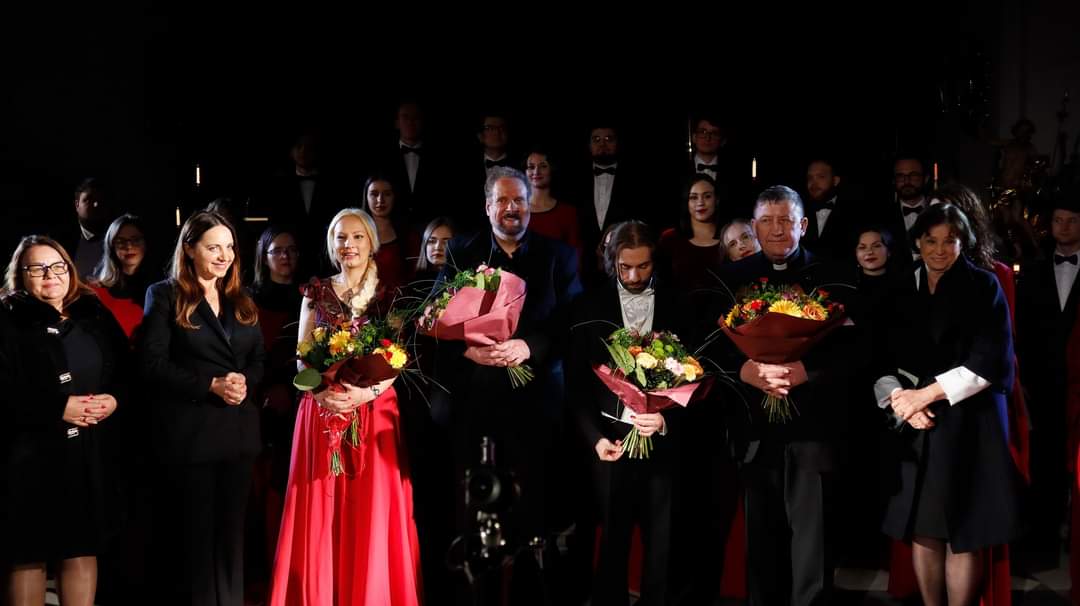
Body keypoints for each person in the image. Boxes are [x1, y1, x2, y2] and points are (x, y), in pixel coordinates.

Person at [433, 167, 581, 604]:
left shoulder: (559, 256)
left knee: (533, 513)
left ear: (530, 204)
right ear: (487, 206)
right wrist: (469, 350)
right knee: (478, 510)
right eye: (503, 200)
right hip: (477, 403)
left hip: (537, 404)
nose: (511, 208)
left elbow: (572, 323)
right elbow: (436, 316)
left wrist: (528, 347)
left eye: (519, 200)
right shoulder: (462, 250)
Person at [269, 208, 421, 606]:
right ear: (331, 244)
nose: (348, 245)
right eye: (340, 237)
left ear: (372, 242)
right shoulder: (315, 292)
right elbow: (302, 358)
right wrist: (323, 394)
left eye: (356, 237)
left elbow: (399, 359)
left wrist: (365, 395)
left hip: (375, 410)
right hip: (323, 410)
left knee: (371, 509)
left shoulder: (391, 293)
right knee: (321, 507)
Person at [713, 185, 856, 606]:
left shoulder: (835, 274)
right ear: (754, 227)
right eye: (767, 221)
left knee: (814, 542)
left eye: (786, 221)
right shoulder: (730, 278)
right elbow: (708, 346)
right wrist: (746, 371)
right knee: (762, 543)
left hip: (813, 427)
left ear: (803, 225)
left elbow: (858, 350)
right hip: (754, 430)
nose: (777, 230)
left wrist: (806, 371)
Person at [878, 204, 1020, 606]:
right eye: (931, 241)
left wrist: (924, 396)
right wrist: (902, 401)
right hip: (915, 422)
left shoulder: (983, 285)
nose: (939, 250)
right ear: (918, 242)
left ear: (963, 243)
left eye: (949, 241)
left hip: (971, 421)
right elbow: (880, 354)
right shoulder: (900, 286)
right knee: (924, 527)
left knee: (963, 529)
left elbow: (989, 360)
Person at [141, 211, 265, 606]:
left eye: (229, 247)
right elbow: (152, 363)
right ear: (190, 248)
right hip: (192, 436)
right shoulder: (164, 294)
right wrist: (209, 385)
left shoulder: (242, 297)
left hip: (238, 435)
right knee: (196, 540)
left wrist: (245, 381)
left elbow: (258, 359)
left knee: (231, 539)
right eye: (214, 248)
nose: (224, 256)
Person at [1, 235, 127, 606]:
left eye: (58, 267)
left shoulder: (93, 313)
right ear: (20, 275)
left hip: (88, 454)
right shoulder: (7, 320)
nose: (50, 275)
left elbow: (125, 371)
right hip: (29, 456)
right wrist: (56, 408)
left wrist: (114, 399)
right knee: (29, 553)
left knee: (81, 547)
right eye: (38, 268)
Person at [569, 220, 687, 606]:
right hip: (611, 445)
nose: (634, 276)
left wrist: (666, 419)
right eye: (625, 267)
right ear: (611, 262)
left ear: (655, 261)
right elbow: (577, 385)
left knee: (663, 544)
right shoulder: (587, 306)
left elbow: (699, 376)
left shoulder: (680, 304)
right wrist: (595, 439)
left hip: (663, 444)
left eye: (643, 266)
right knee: (612, 544)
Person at [90, 214, 156, 340]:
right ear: (111, 246)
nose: (129, 246)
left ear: (146, 243)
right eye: (120, 241)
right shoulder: (96, 292)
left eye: (135, 240)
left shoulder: (162, 288)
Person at [658, 174, 725, 293]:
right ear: (686, 202)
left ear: (717, 200)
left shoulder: (729, 237)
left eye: (707, 196)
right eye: (693, 197)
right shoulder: (669, 239)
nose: (700, 203)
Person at [523, 148, 583, 262]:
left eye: (543, 166)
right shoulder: (517, 210)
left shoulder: (568, 212)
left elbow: (576, 254)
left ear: (552, 169)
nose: (536, 172)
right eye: (531, 167)